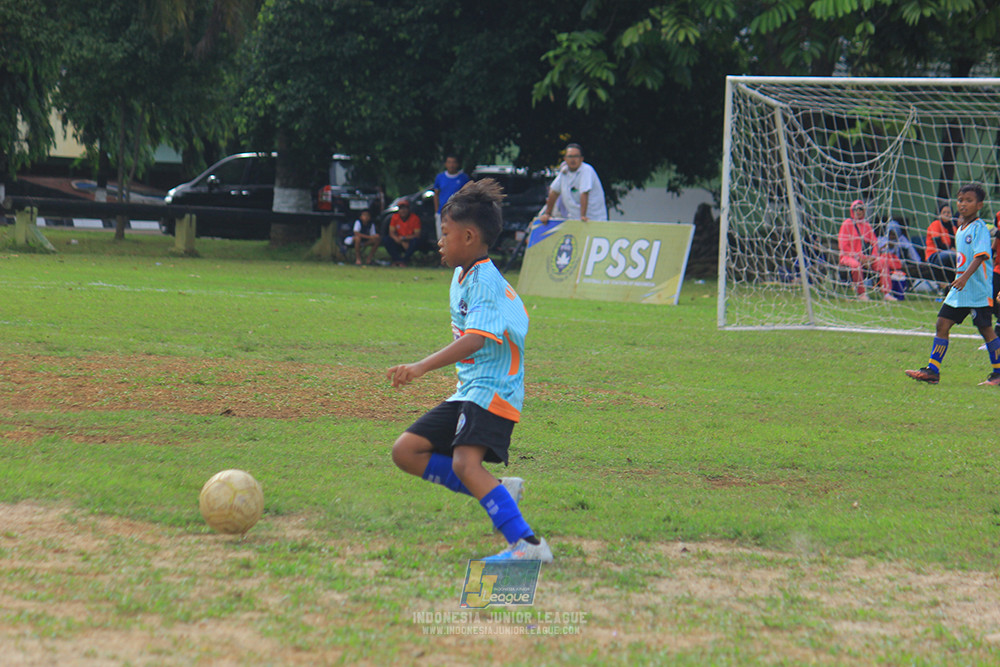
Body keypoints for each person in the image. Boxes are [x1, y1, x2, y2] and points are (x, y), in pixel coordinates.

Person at [387, 178, 553, 563]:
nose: (440, 241)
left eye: (445, 234)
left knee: (465, 463)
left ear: (468, 235)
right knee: (406, 451)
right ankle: (497, 491)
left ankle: (528, 547)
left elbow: (476, 340)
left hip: (494, 389)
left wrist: (420, 367)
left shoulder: (484, 281)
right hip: (469, 389)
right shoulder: (461, 275)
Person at [905, 183, 1000, 386]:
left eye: (969, 201)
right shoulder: (960, 228)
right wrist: (958, 279)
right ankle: (932, 370)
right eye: (960, 200)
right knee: (942, 323)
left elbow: (982, 255)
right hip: (960, 291)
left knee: (986, 329)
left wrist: (964, 277)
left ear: (979, 205)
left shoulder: (980, 228)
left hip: (977, 290)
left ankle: (998, 373)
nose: (963, 204)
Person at [538, 143, 607, 223]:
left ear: (581, 159)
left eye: (576, 156)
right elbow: (553, 192)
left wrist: (583, 216)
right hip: (575, 220)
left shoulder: (587, 170)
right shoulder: (564, 172)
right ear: (565, 159)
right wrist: (547, 214)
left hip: (594, 220)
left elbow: (584, 193)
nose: (573, 160)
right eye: (570, 156)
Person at [837, 199, 878, 300]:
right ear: (852, 211)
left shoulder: (867, 225)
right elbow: (843, 246)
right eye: (856, 209)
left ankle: (887, 293)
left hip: (865, 257)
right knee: (856, 265)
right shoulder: (847, 224)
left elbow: (875, 243)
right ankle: (861, 294)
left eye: (861, 209)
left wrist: (873, 257)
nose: (858, 211)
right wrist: (857, 256)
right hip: (847, 257)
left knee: (882, 262)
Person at [875, 218, 921, 301]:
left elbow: (914, 256)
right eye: (890, 234)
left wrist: (918, 263)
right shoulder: (881, 240)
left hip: (898, 265)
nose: (892, 237)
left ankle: (892, 292)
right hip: (884, 265)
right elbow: (875, 253)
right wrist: (885, 247)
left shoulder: (902, 241)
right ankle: (887, 292)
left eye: (894, 235)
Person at [433, 155, 470, 240]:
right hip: (442, 212)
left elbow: (467, 194)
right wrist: (436, 211)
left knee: (456, 237)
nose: (451, 165)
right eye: (449, 162)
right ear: (446, 164)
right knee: (442, 238)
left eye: (454, 162)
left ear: (457, 164)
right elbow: (436, 194)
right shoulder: (440, 177)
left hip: (457, 212)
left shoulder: (463, 178)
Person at [925, 202, 957, 289]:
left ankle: (951, 285)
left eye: (949, 212)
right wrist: (952, 249)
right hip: (934, 255)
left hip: (948, 254)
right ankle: (943, 284)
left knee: (958, 257)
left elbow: (955, 244)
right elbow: (938, 243)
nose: (947, 214)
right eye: (944, 212)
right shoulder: (936, 224)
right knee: (953, 255)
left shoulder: (953, 228)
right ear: (940, 214)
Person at [383, 199, 422, 266]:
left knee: (415, 241)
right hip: (399, 240)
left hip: (409, 241)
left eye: (405, 209)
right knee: (387, 240)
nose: (403, 211)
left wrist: (404, 238)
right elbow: (391, 233)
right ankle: (397, 260)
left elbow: (417, 235)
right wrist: (400, 240)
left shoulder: (415, 218)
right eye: (401, 209)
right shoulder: (395, 217)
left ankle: (404, 260)